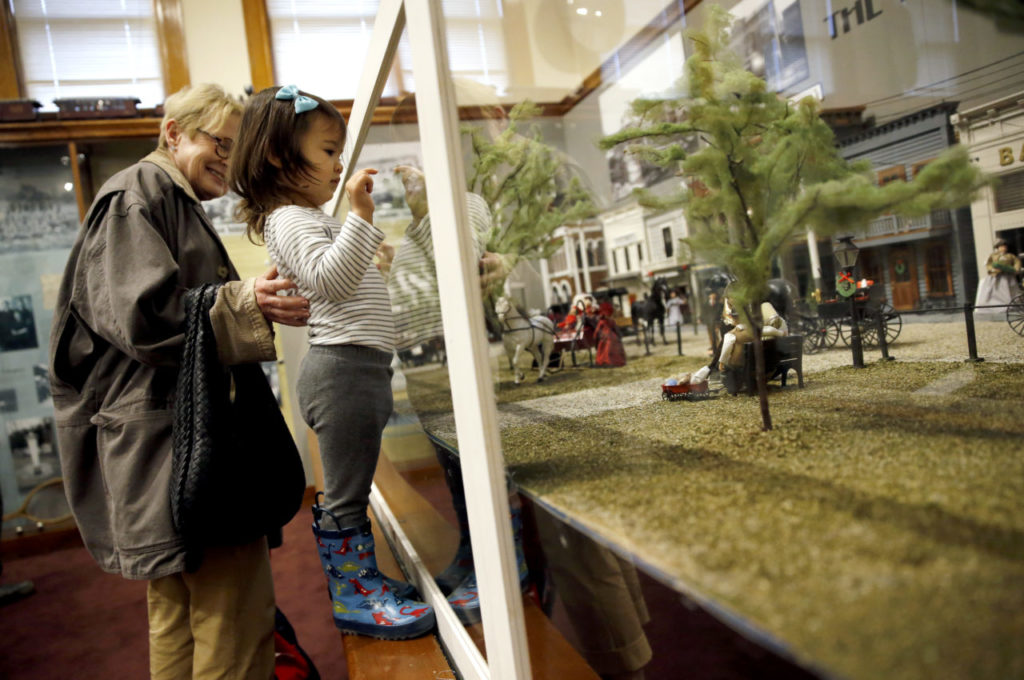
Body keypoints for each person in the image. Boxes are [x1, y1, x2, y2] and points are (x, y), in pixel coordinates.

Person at [48, 83, 311, 679]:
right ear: (174, 133)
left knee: (179, 617)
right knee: (233, 615)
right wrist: (246, 299)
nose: (230, 162)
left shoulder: (161, 195)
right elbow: (143, 318)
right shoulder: (137, 195)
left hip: (172, 444)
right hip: (181, 444)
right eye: (221, 143)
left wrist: (243, 301)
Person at [230, 85, 435, 640]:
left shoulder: (307, 218)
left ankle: (361, 581)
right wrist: (361, 219)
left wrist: (366, 245)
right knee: (346, 494)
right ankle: (353, 596)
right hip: (343, 371)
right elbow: (331, 281)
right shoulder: (290, 219)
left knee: (354, 487)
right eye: (327, 151)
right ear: (278, 155)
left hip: (358, 369)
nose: (339, 165)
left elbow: (341, 279)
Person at [974, 239, 1021, 321]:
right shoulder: (993, 255)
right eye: (1001, 247)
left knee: (1009, 290)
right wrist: (991, 269)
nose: (1003, 248)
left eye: (1005, 247)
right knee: (993, 290)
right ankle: (993, 306)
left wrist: (1015, 269)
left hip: (1007, 276)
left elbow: (1017, 262)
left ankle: (1010, 305)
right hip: (996, 276)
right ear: (998, 248)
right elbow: (988, 264)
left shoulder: (1010, 256)